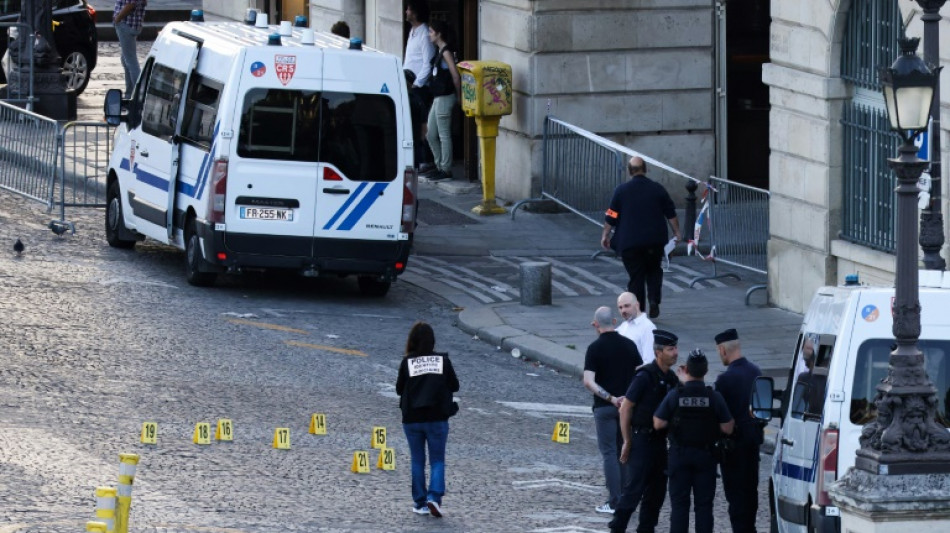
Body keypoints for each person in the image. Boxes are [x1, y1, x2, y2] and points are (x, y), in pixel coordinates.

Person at [653, 349, 734, 533]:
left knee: (679, 506)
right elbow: (727, 427)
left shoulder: (676, 394)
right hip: (706, 456)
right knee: (704, 506)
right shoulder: (713, 397)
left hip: (679, 454)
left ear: (687, 369)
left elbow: (658, 423)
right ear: (706, 371)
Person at [610, 329, 681, 533]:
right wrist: (627, 440)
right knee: (634, 490)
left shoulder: (672, 379)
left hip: (660, 443)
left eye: (675, 348)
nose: (675, 353)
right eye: (670, 349)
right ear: (658, 352)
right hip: (642, 440)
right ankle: (617, 528)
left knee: (656, 494)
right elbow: (626, 408)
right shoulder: (645, 376)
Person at [601, 156, 681, 319]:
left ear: (629, 171)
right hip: (654, 241)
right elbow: (670, 212)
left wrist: (605, 234)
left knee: (636, 277)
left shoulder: (621, 190)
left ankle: (639, 311)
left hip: (630, 242)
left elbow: (611, 214)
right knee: (654, 270)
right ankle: (654, 300)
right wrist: (677, 233)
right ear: (645, 169)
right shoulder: (658, 189)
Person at [395, 321, 459, 518]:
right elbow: (455, 386)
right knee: (437, 460)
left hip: (412, 419)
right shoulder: (443, 361)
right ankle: (434, 497)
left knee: (417, 460)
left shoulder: (407, 362)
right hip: (437, 417)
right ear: (432, 341)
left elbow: (399, 389)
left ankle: (420, 502)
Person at [583, 306, 642, 515]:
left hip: (605, 408)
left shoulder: (594, 348)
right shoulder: (629, 345)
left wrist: (611, 398)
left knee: (609, 453)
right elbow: (639, 375)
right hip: (627, 407)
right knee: (624, 450)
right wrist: (627, 398)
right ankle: (626, 498)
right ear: (615, 322)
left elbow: (588, 381)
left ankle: (615, 501)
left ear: (595, 324)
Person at [713, 328, 764, 533]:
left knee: (736, 498)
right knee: (751, 493)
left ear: (722, 350)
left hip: (733, 447)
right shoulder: (756, 372)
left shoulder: (724, 380)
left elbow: (719, 416)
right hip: (753, 443)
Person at [424, 20, 460, 182]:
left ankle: (445, 169)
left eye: (431, 32)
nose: (429, 35)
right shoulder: (440, 51)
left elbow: (455, 76)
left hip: (445, 97)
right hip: (438, 97)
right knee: (430, 134)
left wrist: (459, 96)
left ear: (439, 34)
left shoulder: (446, 52)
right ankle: (439, 166)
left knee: (443, 134)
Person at [403, 0, 436, 172]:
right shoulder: (413, 31)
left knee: (421, 124)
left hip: (419, 88)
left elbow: (428, 63)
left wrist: (416, 84)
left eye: (409, 9)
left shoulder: (424, 33)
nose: (406, 12)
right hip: (410, 85)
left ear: (415, 13)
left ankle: (426, 160)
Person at [113, 0, 147, 98]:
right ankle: (130, 93)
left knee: (131, 61)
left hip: (126, 24)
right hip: (131, 24)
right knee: (125, 59)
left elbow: (130, 5)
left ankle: (139, 94)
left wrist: (118, 18)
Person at [616, 291, 656, 365]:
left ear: (637, 305)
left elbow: (649, 361)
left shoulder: (648, 327)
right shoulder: (623, 326)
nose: (623, 310)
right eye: (620, 307)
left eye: (627, 306)